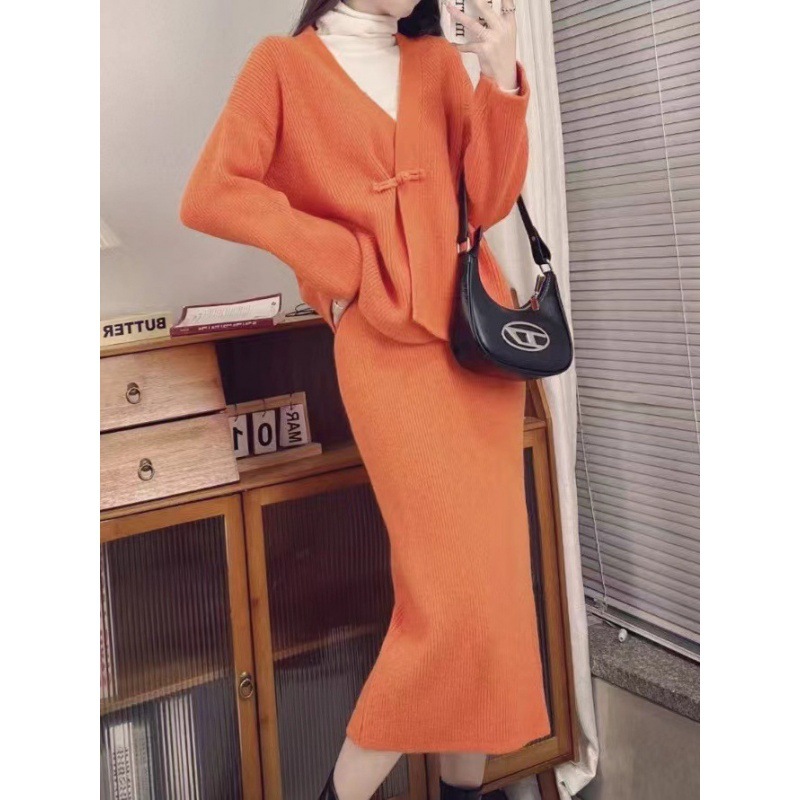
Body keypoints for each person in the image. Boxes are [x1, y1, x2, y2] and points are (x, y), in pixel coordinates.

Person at [180, 2, 550, 798]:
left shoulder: (436, 64)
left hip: (474, 351)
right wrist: (343, 260)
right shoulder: (282, 68)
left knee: (489, 605)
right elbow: (212, 192)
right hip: (388, 359)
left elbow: (487, 202)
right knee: (446, 607)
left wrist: (498, 75)